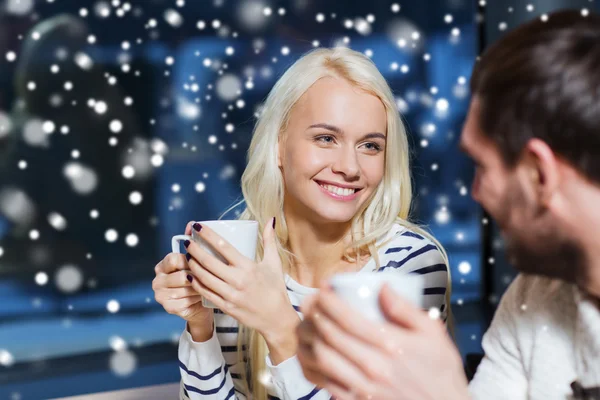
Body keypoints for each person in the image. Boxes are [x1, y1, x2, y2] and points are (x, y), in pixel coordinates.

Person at [295, 9, 600, 400]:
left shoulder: (413, 258)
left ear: (540, 175)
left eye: (482, 167)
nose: (475, 192)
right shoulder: (534, 298)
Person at [152, 47, 451, 400]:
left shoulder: (409, 264)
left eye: (370, 146)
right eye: (326, 139)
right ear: (279, 145)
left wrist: (279, 326)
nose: (349, 167)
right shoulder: (245, 261)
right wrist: (201, 327)